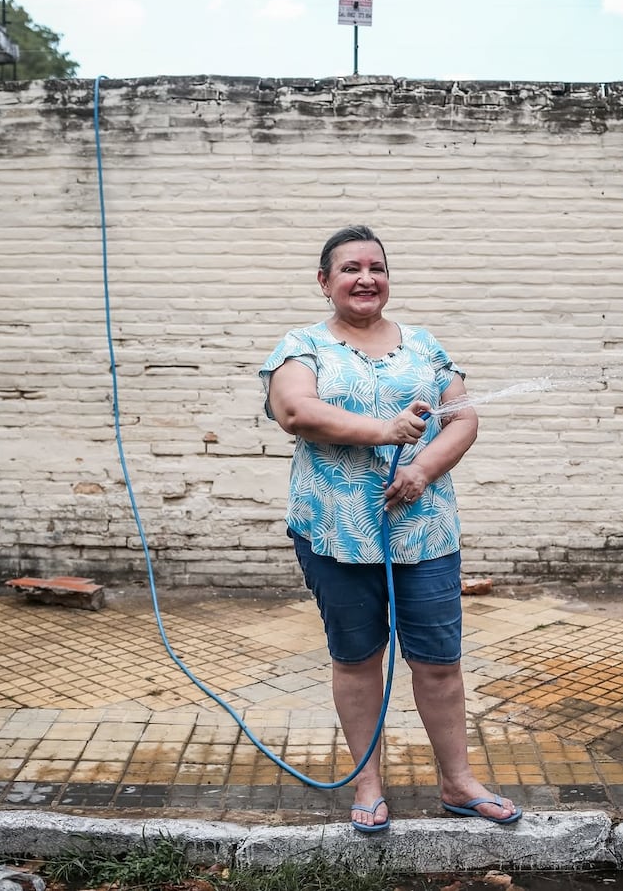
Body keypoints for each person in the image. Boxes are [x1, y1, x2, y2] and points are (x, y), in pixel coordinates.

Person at [259, 225, 522, 833]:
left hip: (424, 531)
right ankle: (368, 785)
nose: (365, 278)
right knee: (358, 659)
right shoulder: (301, 347)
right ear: (325, 282)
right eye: (349, 268)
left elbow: (463, 418)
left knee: (438, 662)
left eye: (376, 267)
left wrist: (424, 469)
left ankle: (457, 783)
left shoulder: (424, 345)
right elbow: (295, 411)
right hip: (336, 534)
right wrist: (386, 431)